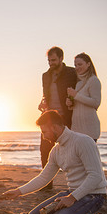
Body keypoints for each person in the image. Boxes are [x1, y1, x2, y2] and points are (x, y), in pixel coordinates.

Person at [2, 111, 107, 214]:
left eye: (44, 132)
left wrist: (72, 198)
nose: (44, 137)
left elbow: (96, 176)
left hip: (94, 195)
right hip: (71, 193)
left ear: (54, 127)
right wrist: (18, 191)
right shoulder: (56, 151)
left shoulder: (83, 141)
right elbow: (44, 177)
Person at [38, 47, 77, 189]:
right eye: (49, 60)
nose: (50, 63)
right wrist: (43, 103)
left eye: (53, 60)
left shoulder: (72, 73)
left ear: (61, 58)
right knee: (44, 150)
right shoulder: (45, 75)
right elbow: (45, 94)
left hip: (67, 117)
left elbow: (78, 90)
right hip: (49, 117)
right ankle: (47, 184)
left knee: (71, 150)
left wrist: (72, 100)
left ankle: (75, 184)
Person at [66, 53, 101, 142]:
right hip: (76, 129)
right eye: (75, 65)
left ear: (88, 64)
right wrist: (70, 104)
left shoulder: (94, 80)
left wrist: (76, 95)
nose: (77, 67)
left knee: (89, 156)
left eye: (80, 64)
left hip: (89, 129)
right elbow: (78, 105)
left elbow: (96, 102)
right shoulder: (79, 83)